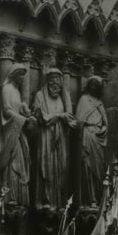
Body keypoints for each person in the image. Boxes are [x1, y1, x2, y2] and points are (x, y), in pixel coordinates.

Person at [32, 67, 75, 210]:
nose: (55, 84)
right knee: (46, 167)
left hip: (61, 137)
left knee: (61, 168)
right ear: (48, 81)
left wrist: (67, 120)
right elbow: (39, 115)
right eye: (52, 80)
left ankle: (61, 201)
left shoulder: (65, 96)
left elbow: (69, 116)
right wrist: (58, 117)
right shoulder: (40, 95)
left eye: (58, 80)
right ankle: (46, 199)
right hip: (45, 136)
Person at [0, 64, 35, 210]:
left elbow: (17, 109)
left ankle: (19, 196)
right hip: (11, 131)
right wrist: (23, 119)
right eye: (20, 75)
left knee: (21, 161)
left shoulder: (17, 91)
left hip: (18, 130)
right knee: (12, 161)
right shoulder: (6, 89)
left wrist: (27, 112)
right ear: (14, 75)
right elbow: (7, 110)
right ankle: (10, 196)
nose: (22, 78)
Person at [75, 76, 108, 207]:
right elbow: (78, 120)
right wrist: (84, 125)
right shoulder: (84, 100)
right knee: (87, 166)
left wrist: (103, 129)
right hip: (87, 135)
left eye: (98, 85)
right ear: (89, 86)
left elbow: (106, 123)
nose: (95, 87)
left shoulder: (99, 102)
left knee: (99, 168)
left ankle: (99, 198)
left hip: (99, 137)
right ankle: (90, 198)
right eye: (94, 84)